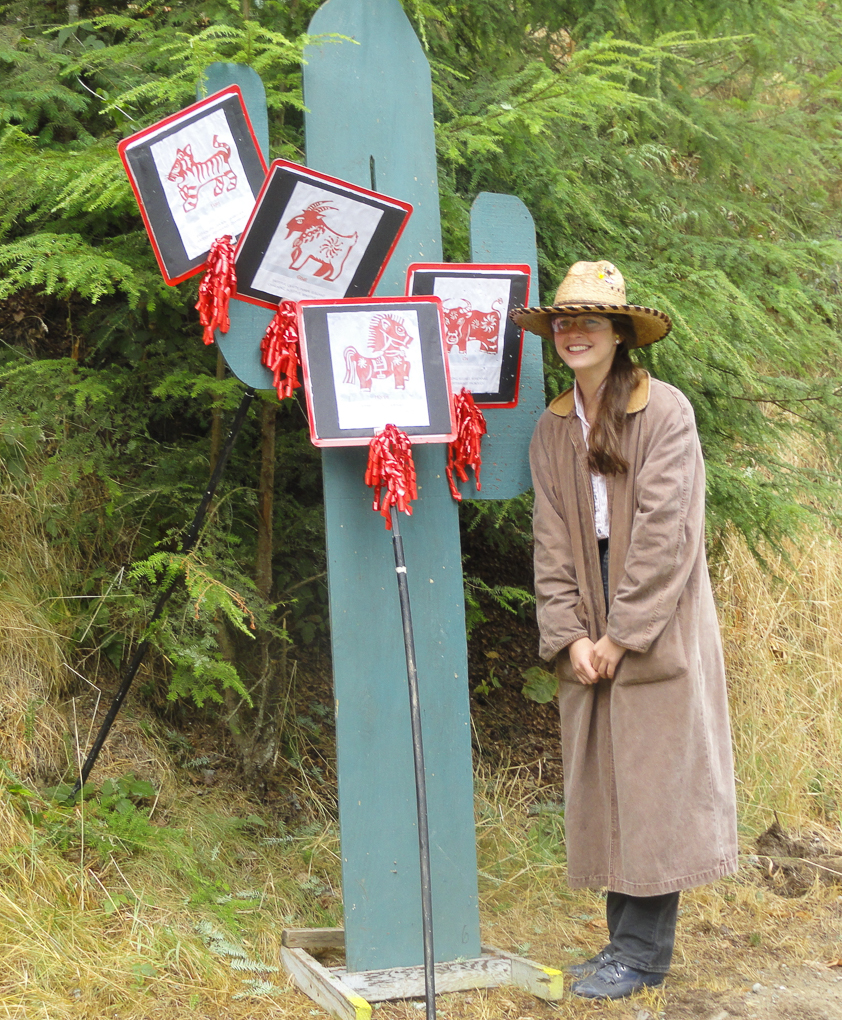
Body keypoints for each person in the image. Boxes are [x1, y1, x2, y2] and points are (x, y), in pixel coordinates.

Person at [510, 261, 738, 1000]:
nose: (574, 332)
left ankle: (641, 956)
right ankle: (620, 946)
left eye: (590, 321)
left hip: (655, 605)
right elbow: (550, 541)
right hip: (589, 601)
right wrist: (572, 634)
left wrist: (622, 633)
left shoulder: (664, 412)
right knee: (606, 776)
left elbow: (667, 534)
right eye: (563, 322)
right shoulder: (553, 428)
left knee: (652, 777)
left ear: (618, 334)